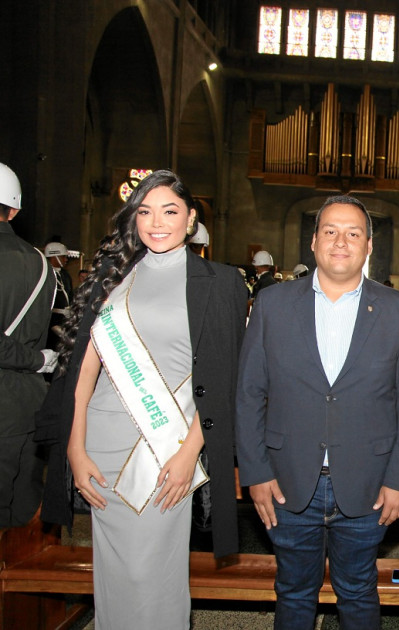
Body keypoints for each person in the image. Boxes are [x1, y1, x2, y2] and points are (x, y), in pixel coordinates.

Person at [34, 170, 247, 629]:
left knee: (151, 572)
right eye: (145, 212)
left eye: (170, 211)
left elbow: (223, 377)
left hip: (164, 449)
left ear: (190, 219)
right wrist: (75, 448)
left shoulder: (221, 281)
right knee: (112, 574)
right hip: (100, 448)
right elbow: (84, 371)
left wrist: (192, 452)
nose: (156, 222)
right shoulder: (110, 277)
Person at [235, 194, 399, 629]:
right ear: (314, 241)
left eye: (353, 233)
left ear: (369, 246)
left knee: (358, 592)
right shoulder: (273, 305)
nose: (341, 241)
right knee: (294, 592)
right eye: (331, 231)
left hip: (369, 482)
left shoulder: (398, 310)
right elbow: (248, 394)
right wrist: (255, 472)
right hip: (286, 482)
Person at [0, 161, 56, 528]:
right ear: (15, 209)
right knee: (20, 520)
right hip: (22, 407)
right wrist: (38, 360)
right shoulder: (40, 263)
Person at [44, 241, 74, 347]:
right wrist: (52, 324)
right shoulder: (45, 274)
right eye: (63, 257)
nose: (66, 260)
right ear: (54, 256)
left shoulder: (65, 275)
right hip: (49, 323)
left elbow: (70, 295)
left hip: (65, 321)